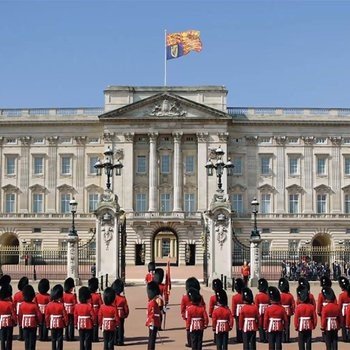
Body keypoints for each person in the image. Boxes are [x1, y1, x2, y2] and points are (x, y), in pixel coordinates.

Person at [181, 277, 205, 348]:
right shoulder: (199, 297)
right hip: (197, 314)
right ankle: (193, 343)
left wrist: (183, 315)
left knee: (189, 329)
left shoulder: (185, 297)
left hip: (189, 314)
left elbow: (182, 307)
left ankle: (190, 342)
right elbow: (203, 305)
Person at [18, 284, 42, 350]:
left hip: (25, 324)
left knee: (26, 340)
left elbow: (20, 315)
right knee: (32, 340)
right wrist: (39, 322)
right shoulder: (34, 305)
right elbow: (39, 315)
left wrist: (20, 323)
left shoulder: (22, 305)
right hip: (33, 324)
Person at [45, 284, 68, 350]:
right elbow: (65, 315)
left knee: (53, 339)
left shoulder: (49, 305)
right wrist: (66, 323)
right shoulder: (61, 305)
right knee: (60, 338)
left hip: (52, 323)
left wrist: (47, 324)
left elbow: (47, 316)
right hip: (60, 323)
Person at [294, 285, 317, 350]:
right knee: (308, 340)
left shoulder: (298, 307)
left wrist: (296, 326)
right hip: (309, 325)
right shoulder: (311, 307)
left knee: (301, 340)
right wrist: (314, 325)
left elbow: (296, 318)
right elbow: (314, 317)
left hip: (301, 325)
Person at [74, 286, 94, 350]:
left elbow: (75, 316)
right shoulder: (89, 306)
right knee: (88, 339)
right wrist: (93, 322)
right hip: (88, 324)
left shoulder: (77, 306)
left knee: (81, 339)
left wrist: (75, 324)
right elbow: (93, 316)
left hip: (80, 324)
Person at [0, 275, 16, 350]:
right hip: (9, 321)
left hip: (2, 320)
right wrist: (15, 321)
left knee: (2, 337)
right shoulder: (10, 303)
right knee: (9, 337)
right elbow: (13, 313)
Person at [111, 278, 129, 346]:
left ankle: (115, 340)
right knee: (121, 328)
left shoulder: (112, 297)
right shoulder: (123, 298)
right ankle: (120, 340)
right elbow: (126, 308)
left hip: (113, 313)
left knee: (115, 327)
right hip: (121, 314)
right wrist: (126, 314)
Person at [278, 277, 295, 343]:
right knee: (287, 325)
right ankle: (287, 338)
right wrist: (293, 311)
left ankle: (282, 338)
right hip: (288, 311)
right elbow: (293, 304)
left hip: (280, 311)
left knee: (281, 324)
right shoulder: (290, 296)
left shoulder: (279, 295)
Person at [146, 281, 161, 350]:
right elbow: (151, 314)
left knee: (152, 339)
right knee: (152, 339)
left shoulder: (153, 302)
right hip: (153, 323)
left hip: (154, 322)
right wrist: (152, 324)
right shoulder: (152, 303)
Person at [13, 276, 29, 341]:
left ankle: (21, 335)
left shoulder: (17, 294)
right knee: (25, 322)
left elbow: (14, 303)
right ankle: (25, 335)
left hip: (19, 309)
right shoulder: (27, 293)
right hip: (26, 308)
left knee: (20, 322)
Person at [254, 278, 269, 343]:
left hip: (260, 311)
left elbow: (256, 306)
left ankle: (262, 338)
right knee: (266, 323)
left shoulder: (257, 296)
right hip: (267, 311)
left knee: (260, 324)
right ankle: (266, 337)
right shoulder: (268, 295)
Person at [209, 278, 223, 344]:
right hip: (223, 311)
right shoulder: (223, 296)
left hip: (215, 312)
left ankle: (216, 339)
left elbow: (211, 306)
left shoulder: (212, 298)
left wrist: (210, 313)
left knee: (215, 325)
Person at [88, 277, 102, 343]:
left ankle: (90, 337)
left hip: (89, 311)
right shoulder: (98, 295)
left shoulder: (88, 295)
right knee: (95, 324)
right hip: (96, 311)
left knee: (90, 324)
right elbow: (101, 304)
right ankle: (95, 338)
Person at [63, 277, 77, 341]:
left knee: (66, 323)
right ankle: (71, 336)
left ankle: (66, 336)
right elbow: (75, 304)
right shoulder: (72, 295)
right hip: (71, 311)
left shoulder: (63, 295)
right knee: (71, 324)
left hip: (65, 311)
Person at [231, 278, 245, 343]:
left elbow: (234, 306)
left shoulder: (235, 297)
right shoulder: (245, 295)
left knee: (238, 325)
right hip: (245, 312)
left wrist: (233, 313)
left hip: (238, 313)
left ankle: (239, 338)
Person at [338, 276, 350, 342]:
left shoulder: (341, 295)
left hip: (344, 310)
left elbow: (340, 305)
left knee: (343, 323)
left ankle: (345, 337)